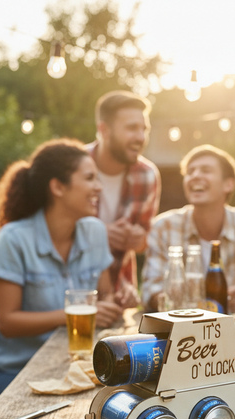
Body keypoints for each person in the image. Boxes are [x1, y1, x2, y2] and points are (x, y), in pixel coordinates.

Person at [0, 138, 123, 407]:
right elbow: (8, 322)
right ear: (58, 186)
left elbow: (106, 294)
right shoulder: (12, 239)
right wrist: (71, 314)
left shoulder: (95, 231)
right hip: (11, 371)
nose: (98, 187)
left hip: (73, 367)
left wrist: (114, 302)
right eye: (90, 178)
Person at [141, 144, 235, 314]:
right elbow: (150, 289)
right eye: (190, 171)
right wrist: (177, 303)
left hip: (231, 329)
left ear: (228, 185)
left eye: (206, 170)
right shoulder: (164, 226)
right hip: (180, 327)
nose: (195, 176)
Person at [87, 90, 161, 308]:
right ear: (104, 130)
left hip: (121, 295)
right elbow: (54, 233)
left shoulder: (148, 175)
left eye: (144, 129)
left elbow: (145, 238)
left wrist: (139, 240)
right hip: (75, 295)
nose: (140, 137)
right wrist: (100, 234)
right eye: (131, 128)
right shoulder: (74, 168)